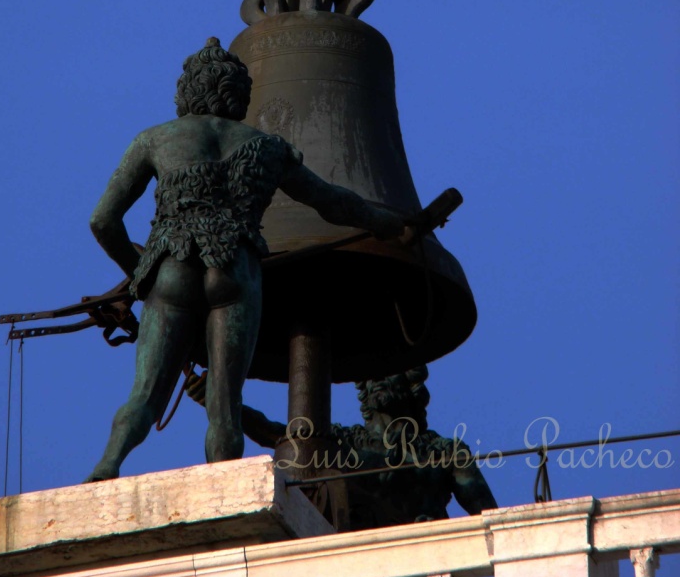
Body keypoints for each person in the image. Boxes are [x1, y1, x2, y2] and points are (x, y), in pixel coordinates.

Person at [85, 37, 403, 481]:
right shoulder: (268, 147)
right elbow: (332, 203)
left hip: (171, 268)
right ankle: (222, 483)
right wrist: (386, 223)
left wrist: (141, 274)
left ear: (186, 91)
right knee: (224, 404)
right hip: (235, 270)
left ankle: (108, 465)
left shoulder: (155, 139)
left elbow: (103, 221)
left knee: (144, 395)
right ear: (239, 95)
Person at [187, 364, 497, 527]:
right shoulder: (340, 441)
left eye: (391, 375)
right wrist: (220, 401)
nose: (379, 382)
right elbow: (275, 434)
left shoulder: (444, 451)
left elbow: (490, 518)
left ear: (412, 386)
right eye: (372, 378)